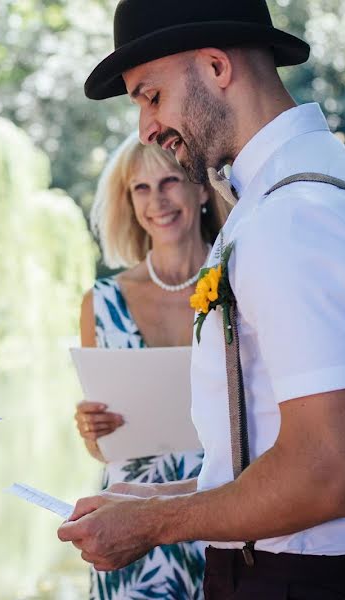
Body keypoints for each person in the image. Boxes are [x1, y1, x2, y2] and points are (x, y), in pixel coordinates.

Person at [57, 1, 345, 598]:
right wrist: (149, 496)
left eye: (151, 96)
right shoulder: (296, 190)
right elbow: (274, 450)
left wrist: (154, 523)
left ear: (217, 67)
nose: (146, 128)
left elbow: (329, 474)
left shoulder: (292, 217)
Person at [74, 135, 226, 599]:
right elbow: (106, 451)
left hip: (225, 510)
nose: (157, 200)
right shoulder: (101, 303)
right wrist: (92, 431)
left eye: (169, 181)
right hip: (127, 528)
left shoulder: (240, 282)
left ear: (202, 189)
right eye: (141, 188)